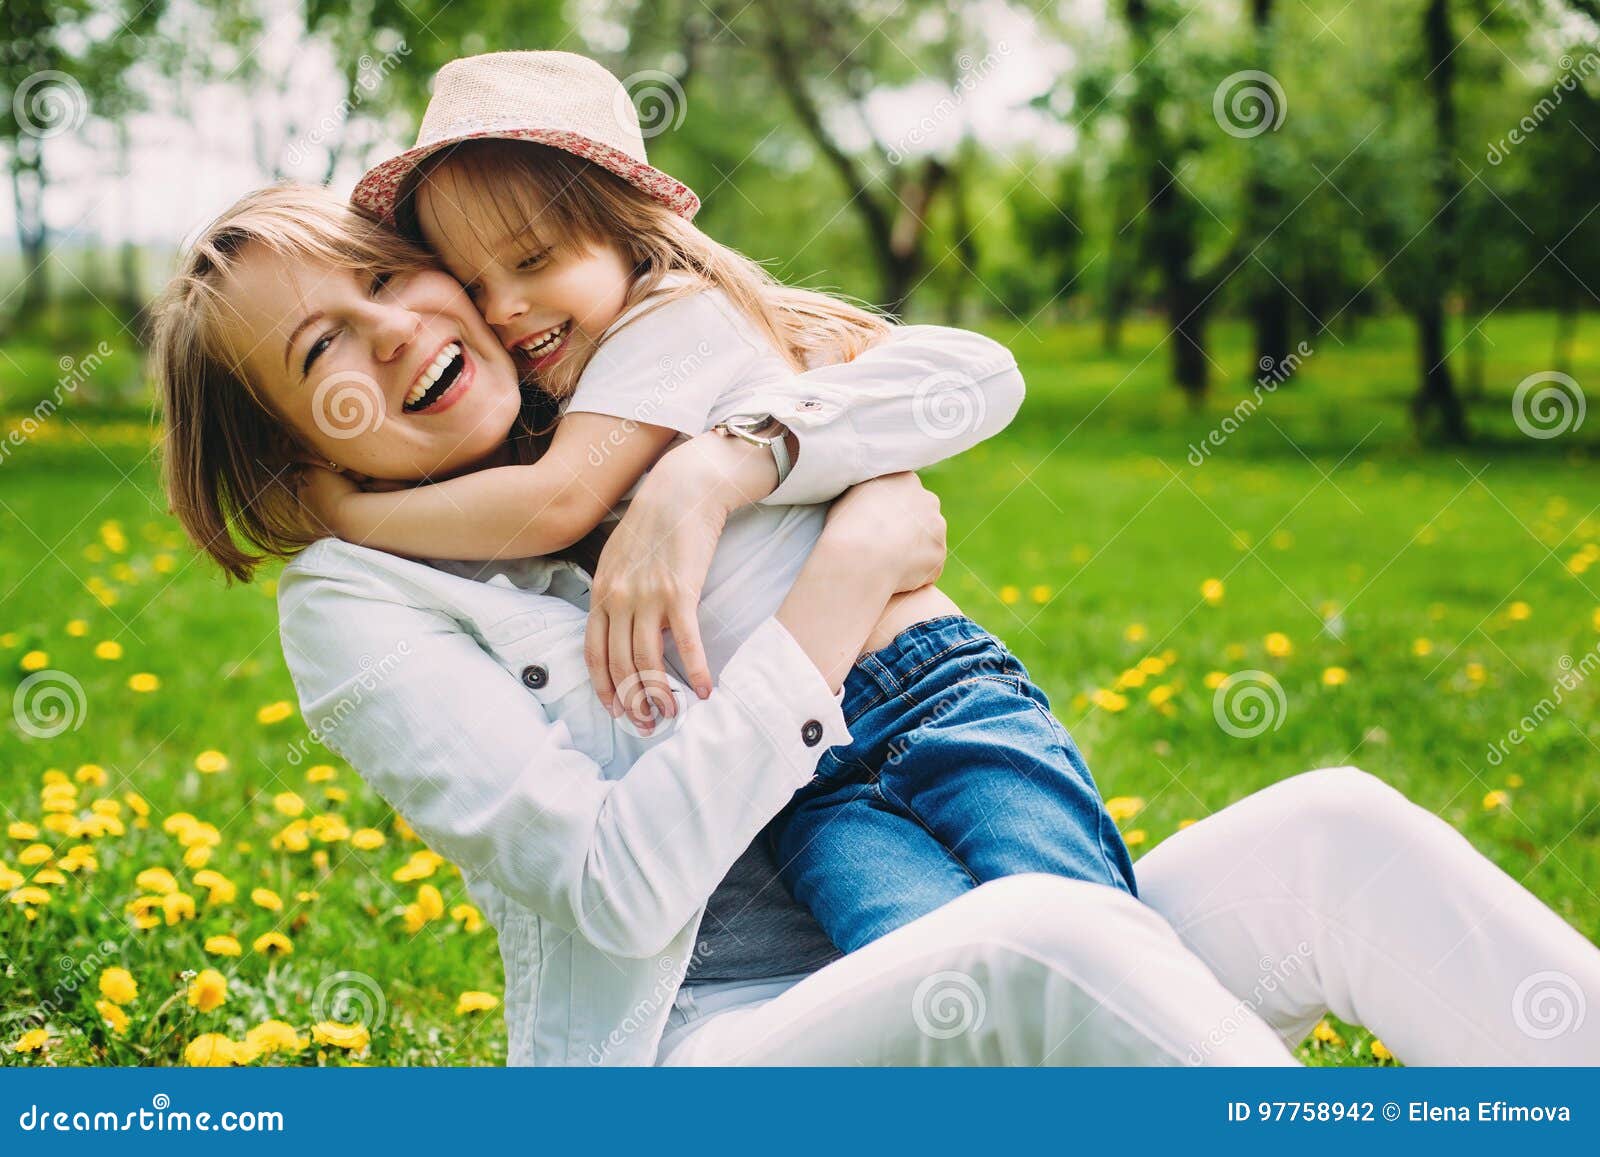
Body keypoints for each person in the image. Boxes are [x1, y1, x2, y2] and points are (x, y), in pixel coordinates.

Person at [151, 187, 1600, 1071]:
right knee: (1041, 936)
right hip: (717, 1050)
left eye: (384, 275)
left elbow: (955, 377)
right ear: (288, 458)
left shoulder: (613, 403)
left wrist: (738, 459)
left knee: (1331, 836)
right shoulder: (355, 603)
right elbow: (614, 889)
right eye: (322, 347)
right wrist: (847, 584)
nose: (392, 326)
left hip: (921, 959)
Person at [293, 50, 1135, 954]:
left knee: (1086, 940)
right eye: (472, 282)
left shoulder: (670, 320)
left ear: (624, 230)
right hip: (799, 774)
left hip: (920, 690)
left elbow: (555, 503)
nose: (502, 307)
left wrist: (352, 518)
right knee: (923, 971)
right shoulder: (563, 398)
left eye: (532, 259)